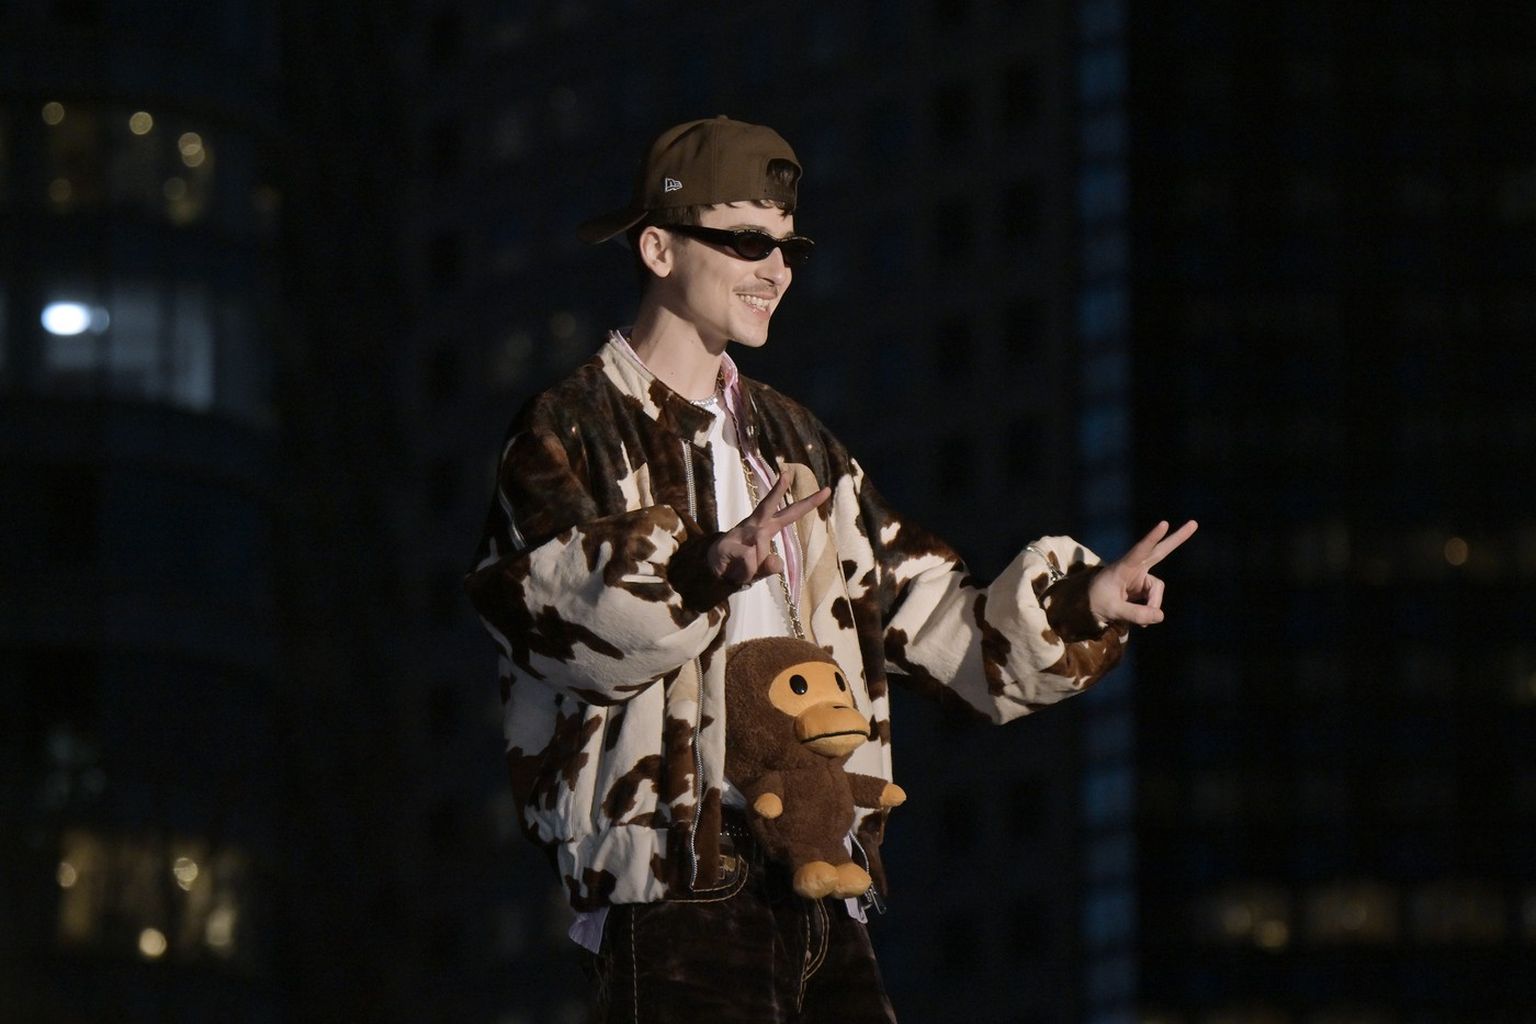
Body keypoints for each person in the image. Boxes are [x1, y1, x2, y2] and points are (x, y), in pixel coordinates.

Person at [465, 115, 1196, 1023]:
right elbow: (544, 608)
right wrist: (703, 569)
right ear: (657, 247)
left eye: (789, 247)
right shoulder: (572, 424)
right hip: (676, 877)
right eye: (747, 241)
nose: (777, 270)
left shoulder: (797, 442)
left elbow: (930, 617)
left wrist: (1083, 604)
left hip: (821, 874)